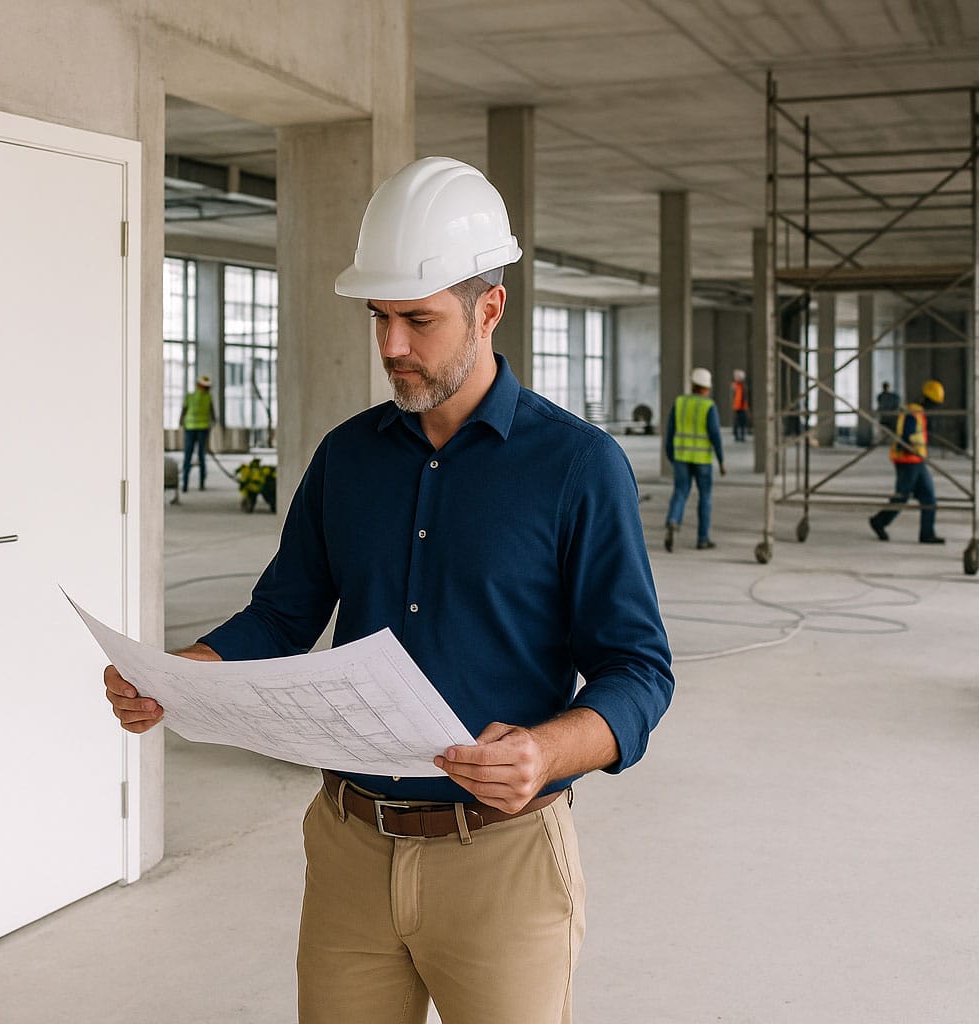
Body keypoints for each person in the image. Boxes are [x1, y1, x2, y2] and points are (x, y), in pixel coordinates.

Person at [104, 157, 674, 1024]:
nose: (392, 347)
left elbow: (638, 671)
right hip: (349, 851)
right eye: (379, 317)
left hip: (503, 861)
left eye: (419, 319)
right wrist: (180, 674)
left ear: (490, 308)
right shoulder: (347, 457)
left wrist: (545, 753)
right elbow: (283, 614)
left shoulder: (577, 468)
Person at [869, 379, 946, 544]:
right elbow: (905, 436)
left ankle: (927, 534)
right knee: (902, 497)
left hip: (917, 460)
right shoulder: (913, 412)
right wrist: (910, 447)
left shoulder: (919, 412)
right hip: (907, 461)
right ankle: (879, 522)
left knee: (928, 498)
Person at [663, 368, 727, 552]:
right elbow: (715, 435)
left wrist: (671, 454)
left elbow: (670, 431)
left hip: (681, 457)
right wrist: (721, 460)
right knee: (705, 496)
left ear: (692, 385)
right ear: (707, 388)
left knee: (680, 491)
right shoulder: (709, 406)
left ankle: (673, 520)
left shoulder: (680, 402)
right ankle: (702, 539)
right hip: (702, 459)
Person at [179, 374, 217, 492]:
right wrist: (213, 423)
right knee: (201, 456)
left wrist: (181, 422)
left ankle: (186, 484)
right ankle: (200, 484)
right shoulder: (207, 397)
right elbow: (213, 415)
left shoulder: (190, 396)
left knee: (189, 456)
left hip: (191, 428)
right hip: (202, 429)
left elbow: (184, 411)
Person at [730, 368, 750, 442]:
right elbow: (733, 396)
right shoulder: (735, 385)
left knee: (743, 422)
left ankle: (742, 436)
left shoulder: (743, 386)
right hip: (737, 407)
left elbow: (745, 396)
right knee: (737, 422)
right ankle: (737, 436)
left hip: (743, 407)